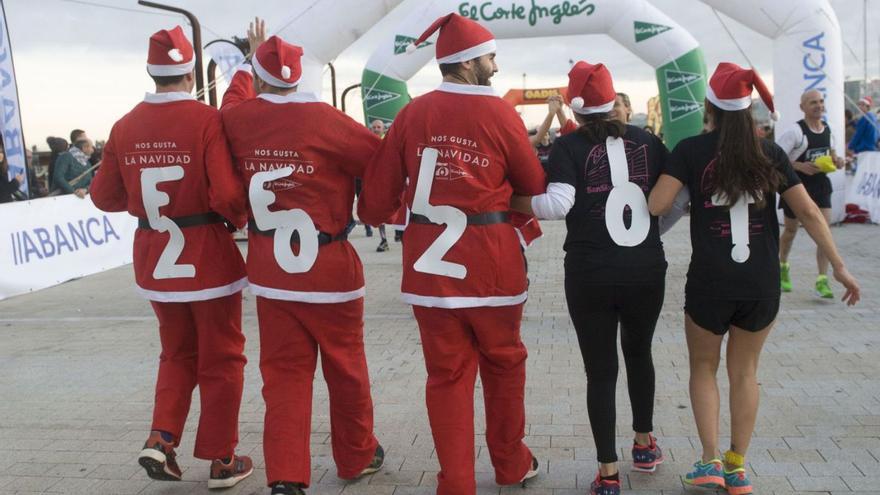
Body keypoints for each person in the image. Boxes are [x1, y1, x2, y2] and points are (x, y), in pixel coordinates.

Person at [648, 62, 861, 495]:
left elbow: (656, 206)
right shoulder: (771, 154)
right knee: (745, 373)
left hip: (710, 279)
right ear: (748, 109)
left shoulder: (690, 150)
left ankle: (707, 460)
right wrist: (838, 265)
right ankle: (736, 467)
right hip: (761, 282)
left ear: (709, 105)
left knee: (703, 369)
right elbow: (806, 212)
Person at [358, 13, 544, 495]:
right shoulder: (501, 113)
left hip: (429, 275)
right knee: (504, 369)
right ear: (468, 62)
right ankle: (510, 465)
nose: (496, 66)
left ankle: (456, 482)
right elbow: (533, 184)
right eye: (490, 57)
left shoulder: (411, 114)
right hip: (492, 268)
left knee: (446, 378)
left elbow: (374, 203)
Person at [220, 19, 384, 495]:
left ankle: (287, 477)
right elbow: (379, 159)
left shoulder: (239, 118)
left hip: (271, 271)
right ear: (300, 77)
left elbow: (232, 101)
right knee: (346, 368)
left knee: (285, 378)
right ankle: (356, 456)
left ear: (263, 76)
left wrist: (246, 63)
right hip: (329, 268)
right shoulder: (324, 118)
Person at [89, 26, 253, 489]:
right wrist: (239, 220)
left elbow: (103, 196)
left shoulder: (125, 125)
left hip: (155, 259)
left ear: (150, 70)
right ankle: (222, 460)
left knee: (177, 353)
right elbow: (226, 193)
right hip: (208, 258)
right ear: (190, 71)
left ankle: (161, 439)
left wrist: (147, 209)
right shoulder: (206, 119)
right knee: (223, 358)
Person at [513, 62, 668, 495]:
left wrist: (511, 200)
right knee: (640, 354)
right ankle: (643, 442)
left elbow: (557, 204)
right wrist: (652, 235)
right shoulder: (648, 140)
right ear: (614, 100)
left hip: (589, 272)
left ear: (576, 110)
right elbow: (669, 201)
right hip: (645, 268)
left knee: (600, 371)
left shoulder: (569, 146)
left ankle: (608, 472)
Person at [776, 89, 845, 298]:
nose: (819, 105)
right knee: (790, 232)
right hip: (796, 187)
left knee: (824, 232)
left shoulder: (828, 130)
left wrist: (838, 161)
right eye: (813, 102)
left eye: (821, 101)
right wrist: (798, 166)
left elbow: (831, 156)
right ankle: (783, 266)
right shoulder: (796, 132)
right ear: (802, 107)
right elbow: (774, 157)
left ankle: (822, 280)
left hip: (821, 186)